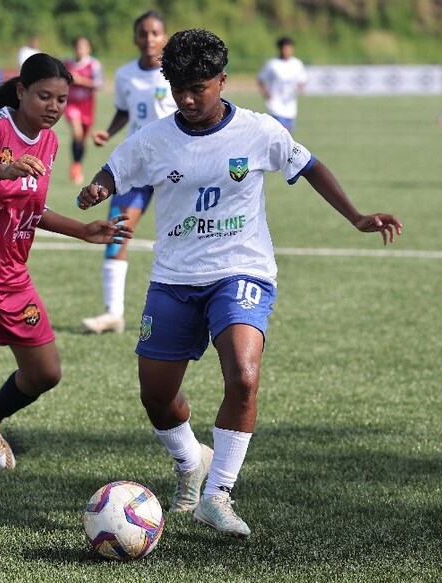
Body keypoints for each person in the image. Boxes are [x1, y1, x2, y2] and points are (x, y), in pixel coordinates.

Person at [76, 29, 401, 537]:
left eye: (198, 88)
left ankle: (218, 493)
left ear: (222, 81)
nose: (187, 99)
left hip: (241, 270)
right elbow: (115, 169)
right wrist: (98, 187)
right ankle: (190, 460)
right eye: (178, 88)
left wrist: (357, 217)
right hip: (174, 278)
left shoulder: (259, 131)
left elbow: (310, 166)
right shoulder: (156, 138)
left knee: (244, 376)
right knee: (157, 397)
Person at [0, 53, 131, 506]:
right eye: (44, 96)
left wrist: (82, 230)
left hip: (10, 271)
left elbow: (29, 211)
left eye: (61, 98)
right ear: (21, 91)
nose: (54, 106)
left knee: (45, 373)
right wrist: (5, 167)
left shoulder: (50, 143)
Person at [81, 10, 177, 335]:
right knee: (116, 230)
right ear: (135, 38)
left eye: (155, 33)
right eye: (143, 33)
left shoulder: (176, 73)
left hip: (174, 166)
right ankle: (113, 313)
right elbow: (124, 110)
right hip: (135, 167)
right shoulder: (124, 75)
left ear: (164, 36)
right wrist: (108, 132)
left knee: (184, 236)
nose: (149, 39)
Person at [63, 36, 104, 183]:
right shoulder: (66, 63)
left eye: (83, 46)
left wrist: (80, 81)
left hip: (87, 105)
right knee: (77, 132)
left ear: (88, 49)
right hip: (71, 104)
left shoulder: (94, 64)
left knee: (82, 139)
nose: (80, 49)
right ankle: (75, 166)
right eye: (77, 46)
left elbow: (99, 84)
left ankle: (77, 164)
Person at [256, 36, 308, 132]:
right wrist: (266, 93)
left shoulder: (297, 64)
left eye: (289, 48)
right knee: (281, 130)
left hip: (290, 105)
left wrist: (300, 88)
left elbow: (302, 80)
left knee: (287, 134)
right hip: (275, 104)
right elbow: (261, 79)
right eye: (285, 48)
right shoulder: (272, 64)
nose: (288, 51)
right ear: (280, 49)